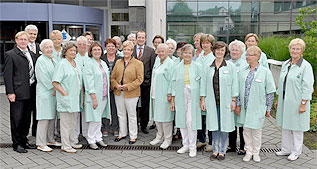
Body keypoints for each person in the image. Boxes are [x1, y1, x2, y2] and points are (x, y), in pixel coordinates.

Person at [274, 38, 314, 161]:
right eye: (293, 48)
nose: (294, 51)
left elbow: (307, 87)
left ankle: (296, 151)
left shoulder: (305, 66)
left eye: (297, 49)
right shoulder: (286, 64)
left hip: (297, 102)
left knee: (296, 127)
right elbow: (282, 84)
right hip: (285, 101)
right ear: (289, 49)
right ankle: (286, 149)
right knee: (285, 125)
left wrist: (303, 103)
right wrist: (278, 98)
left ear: (302, 51)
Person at [235, 46, 276, 162]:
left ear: (257, 57)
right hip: (245, 107)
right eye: (246, 55)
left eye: (250, 55)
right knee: (246, 130)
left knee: (256, 131)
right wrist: (238, 104)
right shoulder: (243, 71)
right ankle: (248, 151)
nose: (247, 57)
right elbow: (237, 90)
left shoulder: (265, 72)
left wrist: (268, 108)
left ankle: (256, 152)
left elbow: (270, 92)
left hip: (258, 107)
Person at [200, 41, 238, 160]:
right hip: (212, 101)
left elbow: (234, 84)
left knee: (224, 126)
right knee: (214, 126)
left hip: (226, 102)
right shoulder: (208, 66)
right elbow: (203, 84)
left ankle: (222, 150)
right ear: (214, 51)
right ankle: (215, 150)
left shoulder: (230, 66)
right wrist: (202, 99)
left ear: (225, 51)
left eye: (222, 50)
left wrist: (234, 100)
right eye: (217, 49)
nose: (220, 52)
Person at [4, 31, 37, 153]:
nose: (23, 41)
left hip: (31, 92)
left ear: (28, 40)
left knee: (26, 119)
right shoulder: (11, 54)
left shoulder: (32, 55)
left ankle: (24, 140)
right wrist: (10, 92)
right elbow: (8, 76)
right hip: (17, 93)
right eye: (21, 39)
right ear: (16, 40)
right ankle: (16, 144)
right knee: (16, 119)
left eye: (25, 39)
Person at [171, 44, 202, 157]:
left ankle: (193, 146)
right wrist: (173, 99)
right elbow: (173, 83)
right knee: (182, 121)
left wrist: (202, 98)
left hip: (193, 95)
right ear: (181, 54)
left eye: (189, 53)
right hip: (180, 94)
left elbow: (202, 82)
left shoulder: (198, 66)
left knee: (190, 121)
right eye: (185, 52)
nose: (187, 55)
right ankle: (185, 145)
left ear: (192, 54)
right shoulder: (177, 67)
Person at [111, 40, 144, 144]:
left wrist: (127, 86)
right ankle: (122, 133)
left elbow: (140, 79)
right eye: (124, 49)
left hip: (132, 93)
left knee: (132, 115)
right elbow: (112, 78)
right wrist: (116, 85)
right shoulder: (118, 62)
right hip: (118, 92)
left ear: (132, 51)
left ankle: (133, 136)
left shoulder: (138, 63)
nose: (126, 51)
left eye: (128, 49)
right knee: (121, 114)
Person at [52, 42, 83, 153]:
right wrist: (64, 93)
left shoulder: (75, 63)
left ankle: (71, 142)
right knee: (65, 123)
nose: (73, 52)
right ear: (65, 52)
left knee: (73, 122)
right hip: (66, 97)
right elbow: (55, 82)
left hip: (75, 97)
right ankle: (65, 146)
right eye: (71, 50)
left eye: (75, 50)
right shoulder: (62, 64)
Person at [35, 39, 62, 152]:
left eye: (51, 47)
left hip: (54, 93)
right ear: (42, 49)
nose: (49, 49)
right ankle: (41, 143)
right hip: (46, 93)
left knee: (52, 117)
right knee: (44, 118)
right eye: (46, 47)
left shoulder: (53, 60)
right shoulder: (41, 61)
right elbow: (43, 78)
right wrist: (54, 88)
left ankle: (50, 139)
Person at [83, 42, 111, 150]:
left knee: (98, 118)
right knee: (94, 119)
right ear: (90, 51)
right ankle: (91, 139)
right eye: (94, 50)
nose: (97, 52)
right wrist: (93, 98)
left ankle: (98, 137)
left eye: (99, 49)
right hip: (94, 96)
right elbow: (89, 82)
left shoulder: (103, 63)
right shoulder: (89, 63)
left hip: (103, 95)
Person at [149, 44, 174, 149]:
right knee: (158, 118)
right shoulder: (157, 61)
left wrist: (169, 94)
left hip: (165, 95)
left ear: (168, 52)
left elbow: (172, 80)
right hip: (155, 94)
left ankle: (168, 139)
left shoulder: (171, 64)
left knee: (166, 118)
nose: (161, 53)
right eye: (159, 51)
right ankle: (159, 136)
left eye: (163, 51)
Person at [132, 30, 156, 134]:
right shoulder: (131, 50)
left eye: (143, 37)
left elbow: (152, 67)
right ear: (136, 39)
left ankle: (144, 125)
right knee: (134, 105)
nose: (141, 39)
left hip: (146, 83)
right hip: (133, 83)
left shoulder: (151, 51)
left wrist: (150, 81)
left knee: (145, 105)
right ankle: (134, 124)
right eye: (139, 37)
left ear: (145, 39)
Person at [195, 33, 215, 151]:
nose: (205, 45)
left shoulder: (212, 58)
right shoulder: (200, 56)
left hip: (208, 91)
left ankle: (211, 142)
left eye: (207, 43)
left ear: (211, 44)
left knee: (209, 117)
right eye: (203, 43)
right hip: (198, 90)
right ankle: (202, 140)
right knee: (201, 117)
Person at [227, 40, 248, 155]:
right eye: (233, 50)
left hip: (241, 98)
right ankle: (231, 145)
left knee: (241, 123)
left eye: (237, 50)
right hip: (229, 98)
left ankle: (243, 146)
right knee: (231, 122)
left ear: (242, 51)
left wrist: (238, 101)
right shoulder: (227, 63)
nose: (234, 52)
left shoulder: (245, 64)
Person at [101, 39, 121, 137]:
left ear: (116, 47)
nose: (111, 48)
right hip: (104, 87)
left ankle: (115, 128)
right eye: (108, 46)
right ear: (105, 47)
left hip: (116, 88)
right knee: (105, 108)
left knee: (115, 108)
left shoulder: (119, 59)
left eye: (112, 46)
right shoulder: (101, 58)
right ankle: (105, 127)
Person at [25, 24, 40, 137]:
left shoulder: (40, 47)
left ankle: (35, 133)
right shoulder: (23, 47)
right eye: (30, 33)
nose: (33, 36)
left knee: (37, 110)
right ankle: (25, 133)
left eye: (35, 34)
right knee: (26, 111)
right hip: (27, 85)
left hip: (39, 85)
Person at [74, 36, 89, 143]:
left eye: (84, 44)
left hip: (87, 90)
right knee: (75, 114)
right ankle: (74, 136)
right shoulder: (74, 57)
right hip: (76, 90)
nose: (82, 46)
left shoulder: (90, 57)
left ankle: (86, 133)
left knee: (86, 113)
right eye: (80, 44)